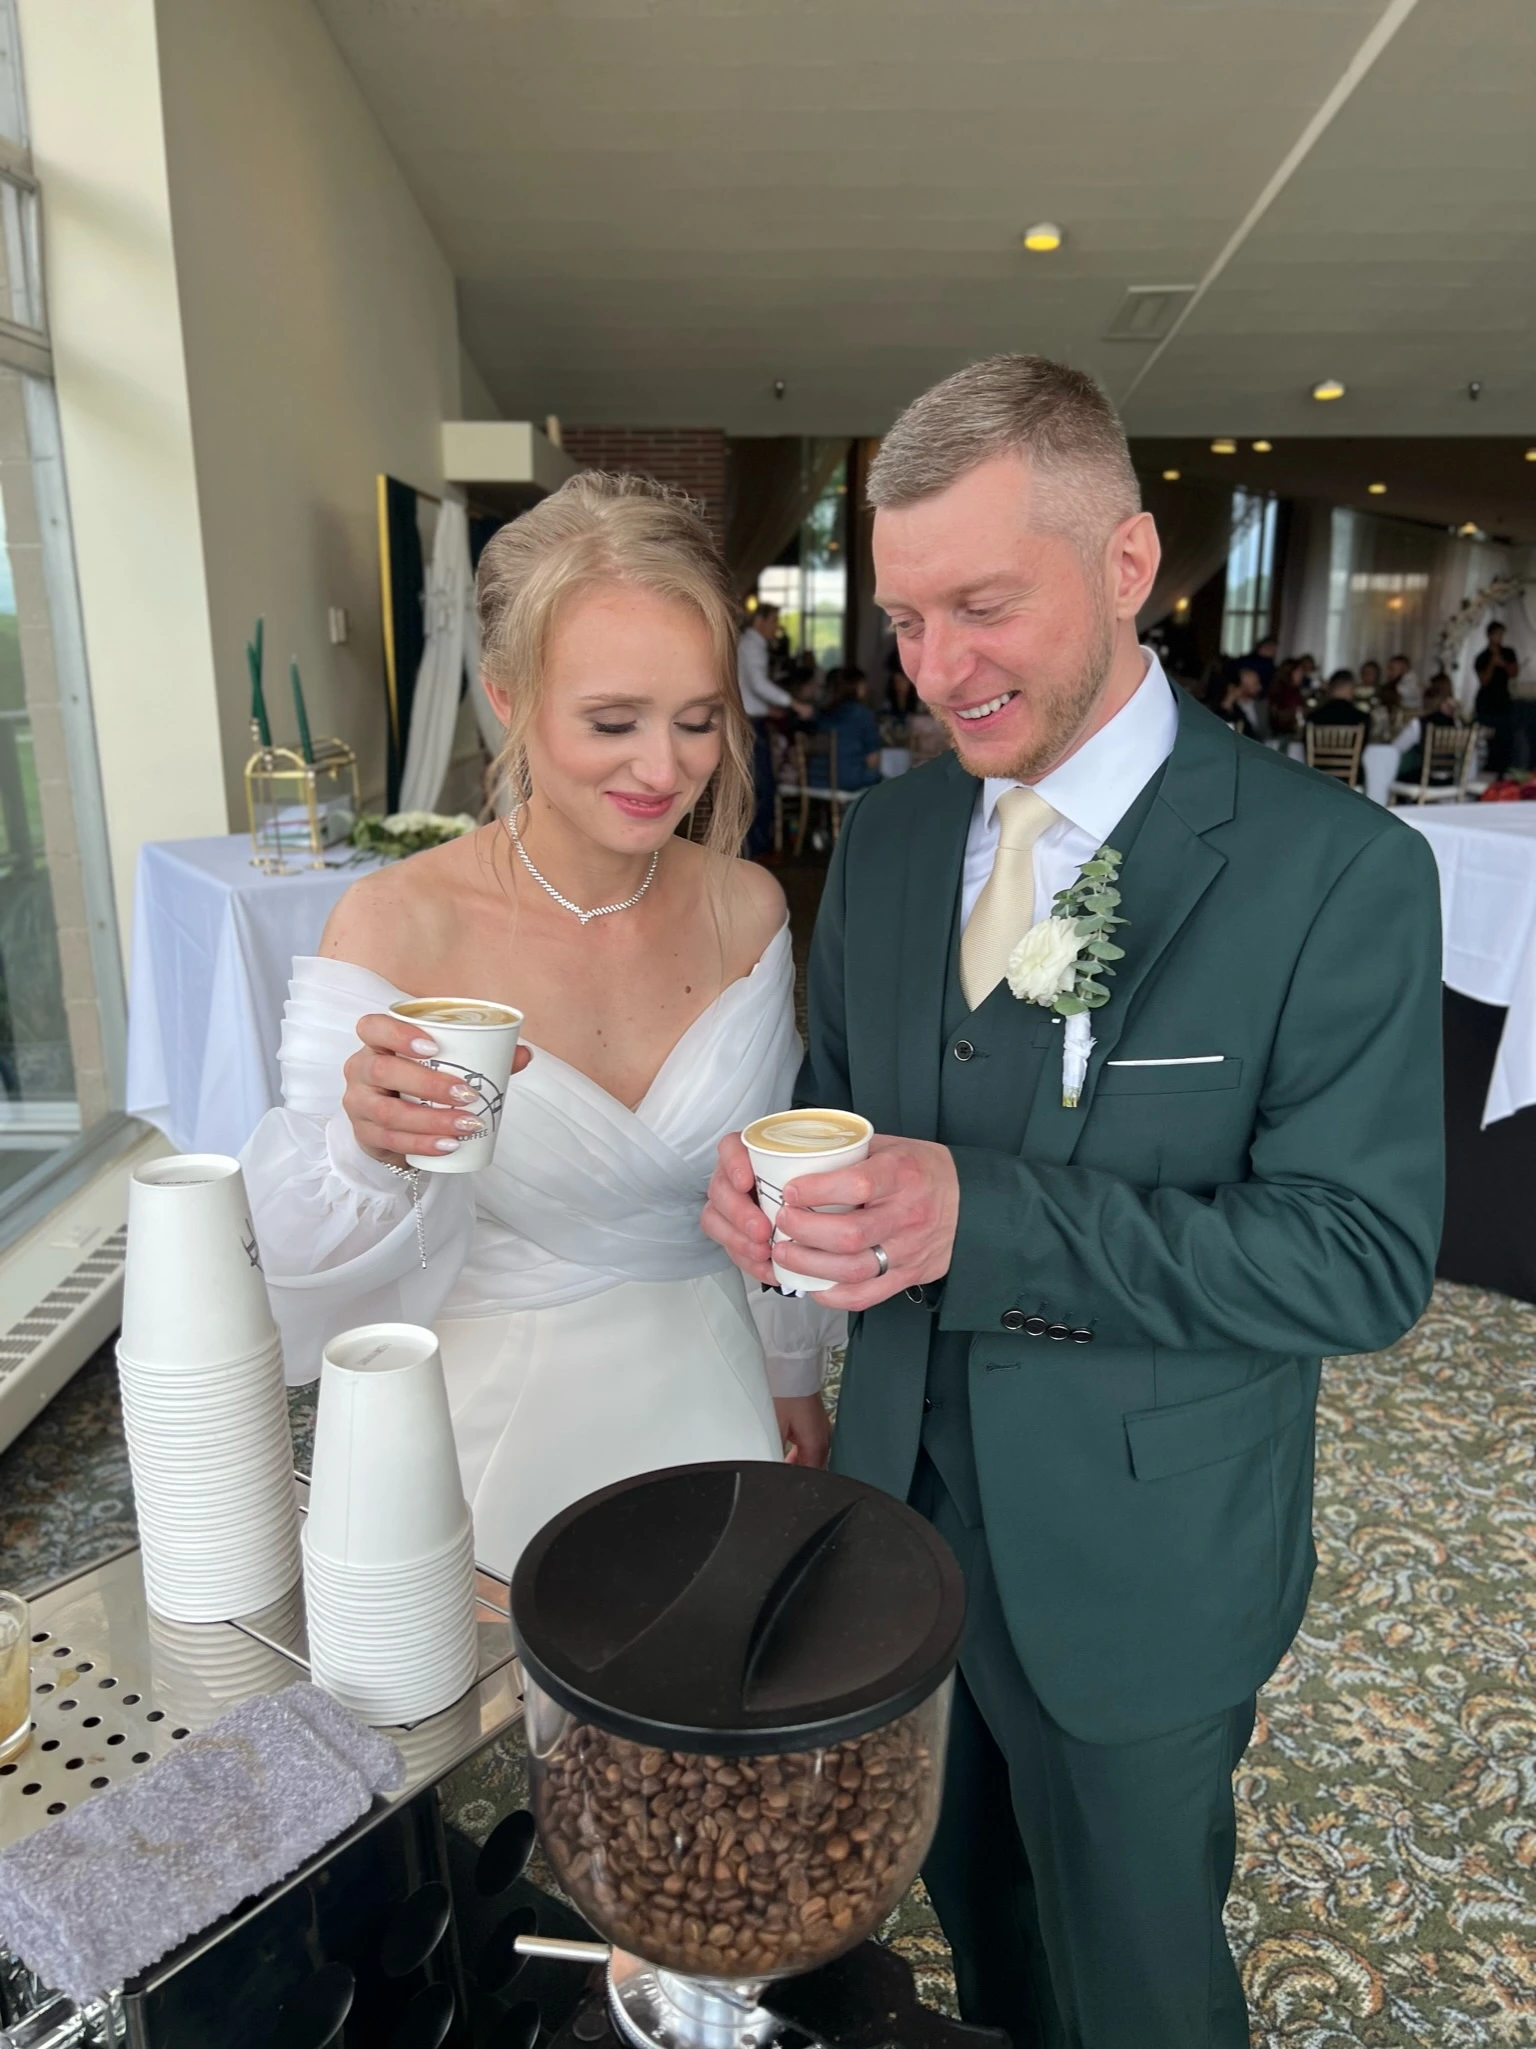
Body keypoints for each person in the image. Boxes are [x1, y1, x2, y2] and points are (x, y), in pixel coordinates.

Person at [702, 354, 1442, 2049]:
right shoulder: (888, 845)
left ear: (1127, 564)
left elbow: (1361, 1257)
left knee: (1140, 1984)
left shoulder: (1333, 873)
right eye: (906, 619)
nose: (933, 669)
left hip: (1142, 1559)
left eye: (983, 606)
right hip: (896, 1533)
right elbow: (845, 1108)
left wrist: (990, 1217)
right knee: (984, 1939)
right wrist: (770, 1187)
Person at [242, 475, 839, 1576]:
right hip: (489, 1435)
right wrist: (366, 1149)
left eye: (699, 720)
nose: (664, 768)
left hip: (715, 1400)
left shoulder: (748, 905)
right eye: (612, 722)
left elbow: (765, 1184)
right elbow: (296, 1265)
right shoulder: (394, 924)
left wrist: (791, 1365)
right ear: (507, 697)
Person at [738, 601, 793, 856]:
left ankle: (755, 847)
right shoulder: (754, 645)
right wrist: (793, 703)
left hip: (749, 720)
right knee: (762, 787)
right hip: (751, 725)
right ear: (759, 621)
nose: (776, 627)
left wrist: (769, 709)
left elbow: (748, 690)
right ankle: (757, 849)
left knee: (757, 786)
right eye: (773, 621)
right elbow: (758, 684)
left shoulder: (747, 644)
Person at [810, 666, 884, 791]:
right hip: (847, 780)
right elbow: (872, 759)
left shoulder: (822, 714)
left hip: (817, 780)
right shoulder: (863, 715)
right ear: (856, 687)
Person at [1394, 672, 1464, 786]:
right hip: (1451, 781)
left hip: (1425, 781)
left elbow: (1397, 747)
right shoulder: (1456, 724)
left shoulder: (1419, 723)